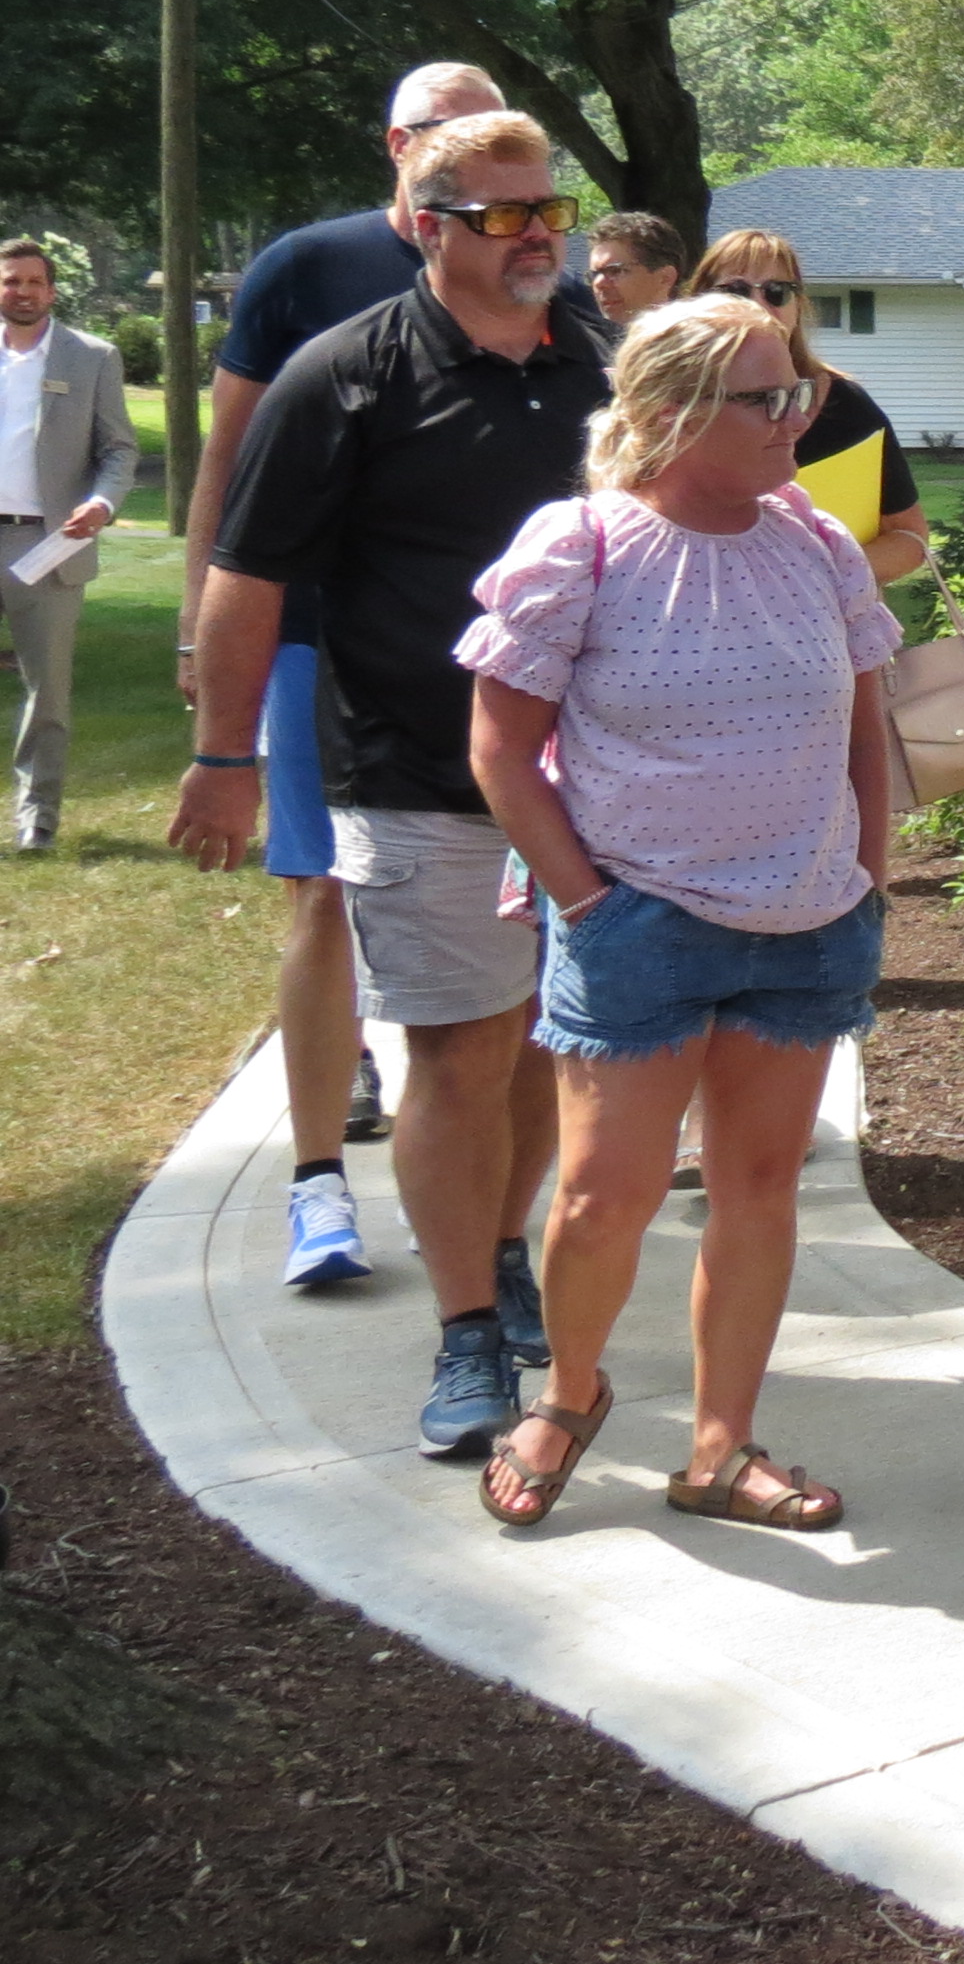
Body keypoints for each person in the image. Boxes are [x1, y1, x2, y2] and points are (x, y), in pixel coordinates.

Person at [174, 113, 614, 1459]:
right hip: (415, 770)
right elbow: (250, 582)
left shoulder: (600, 364)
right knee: (456, 1050)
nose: (539, 231)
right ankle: (468, 1327)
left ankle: (501, 1247)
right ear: (427, 225)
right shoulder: (343, 377)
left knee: (552, 1041)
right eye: (500, 213)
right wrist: (223, 757)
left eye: (549, 205)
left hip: (591, 777)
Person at [458, 296, 900, 1533]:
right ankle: (570, 1394)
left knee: (759, 1188)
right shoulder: (583, 546)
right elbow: (501, 752)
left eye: (797, 388)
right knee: (605, 1197)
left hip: (808, 921)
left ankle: (720, 1452)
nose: (797, 417)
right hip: (639, 925)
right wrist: (589, 906)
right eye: (766, 398)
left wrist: (863, 874)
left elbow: (864, 729)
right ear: (666, 416)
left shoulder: (815, 539)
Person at [185, 59, 519, 1290]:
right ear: (398, 146)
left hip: (491, 653)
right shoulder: (306, 273)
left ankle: (499, 1233)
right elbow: (229, 467)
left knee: (510, 930)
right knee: (320, 891)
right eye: (448, 134)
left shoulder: (539, 277)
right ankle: (318, 1182)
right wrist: (202, 635)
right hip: (319, 636)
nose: (476, 162)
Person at [688, 228, 930, 588]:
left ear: (798, 305)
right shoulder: (669, 407)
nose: (758, 305)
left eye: (777, 292)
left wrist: (818, 576)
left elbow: (910, 538)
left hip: (824, 634)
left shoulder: (847, 406)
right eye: (736, 291)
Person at [0, 242, 134, 852]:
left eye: (34, 281)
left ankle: (37, 817)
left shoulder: (92, 358)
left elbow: (118, 450)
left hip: (48, 543)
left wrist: (102, 504)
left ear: (52, 291)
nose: (22, 291)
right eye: (10, 281)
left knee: (46, 691)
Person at [586, 211, 690, 329]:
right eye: (595, 274)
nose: (599, 283)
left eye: (615, 271)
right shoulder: (586, 343)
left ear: (665, 278)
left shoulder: (698, 343)